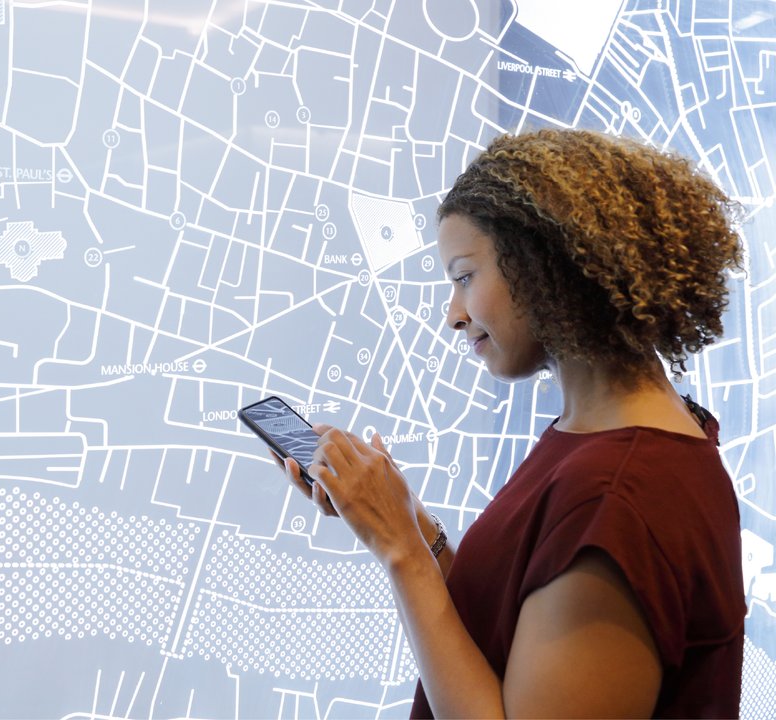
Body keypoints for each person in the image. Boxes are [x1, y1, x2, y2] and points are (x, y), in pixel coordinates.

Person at [277, 128, 746, 718]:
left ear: (542, 262)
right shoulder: (606, 441)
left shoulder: (617, 496)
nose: (453, 314)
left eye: (465, 276)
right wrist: (406, 521)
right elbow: (509, 636)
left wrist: (401, 549)